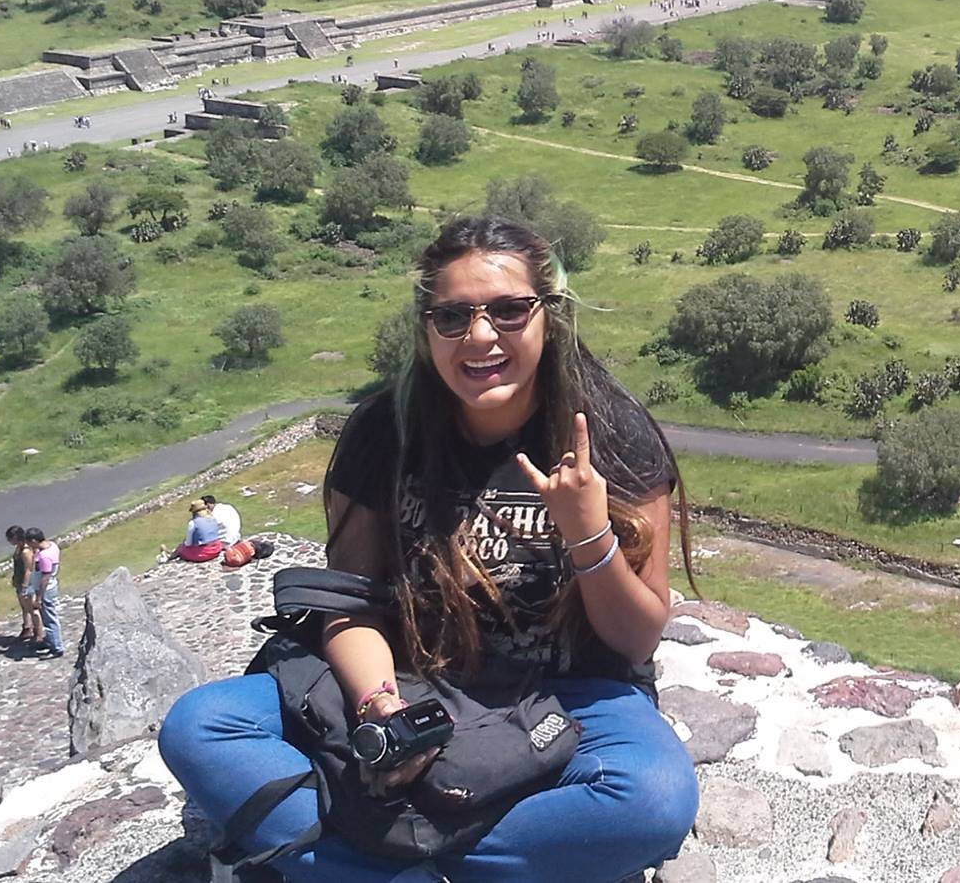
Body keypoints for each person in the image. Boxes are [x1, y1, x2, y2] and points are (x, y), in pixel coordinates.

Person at [161, 215, 701, 883]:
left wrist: (588, 534)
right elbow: (349, 602)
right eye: (452, 317)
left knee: (652, 801)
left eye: (508, 311)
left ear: (548, 318)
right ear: (426, 328)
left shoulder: (609, 434)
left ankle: (366, 859)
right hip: (415, 677)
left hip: (568, 696)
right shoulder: (385, 431)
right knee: (200, 727)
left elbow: (634, 643)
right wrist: (379, 706)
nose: (480, 337)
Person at [27, 527, 63, 658]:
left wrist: (39, 598)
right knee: (48, 617)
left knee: (49, 619)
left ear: (34, 540)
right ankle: (51, 641)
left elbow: (45, 577)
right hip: (50, 587)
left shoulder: (44, 556)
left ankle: (57, 647)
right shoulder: (52, 546)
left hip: (46, 591)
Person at [6, 525, 39, 642]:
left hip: (27, 583)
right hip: (19, 581)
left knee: (30, 608)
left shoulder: (26, 551)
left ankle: (37, 631)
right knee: (24, 607)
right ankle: (27, 627)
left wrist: (25, 586)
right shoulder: (19, 549)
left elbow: (28, 570)